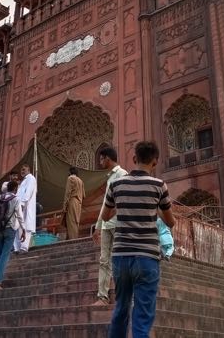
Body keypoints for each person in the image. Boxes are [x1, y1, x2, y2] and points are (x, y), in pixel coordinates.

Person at [101, 141, 175, 338]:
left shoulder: (116, 184)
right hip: (147, 257)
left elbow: (105, 217)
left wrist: (125, 206)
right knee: (142, 317)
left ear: (134, 159)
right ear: (155, 161)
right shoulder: (159, 186)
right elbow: (170, 222)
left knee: (121, 309)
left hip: (121, 256)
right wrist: (152, 206)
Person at [92, 146, 128, 306]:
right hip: (107, 225)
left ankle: (124, 296)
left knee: (120, 259)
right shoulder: (110, 177)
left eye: (101, 158)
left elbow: (125, 200)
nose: (100, 162)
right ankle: (102, 296)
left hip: (119, 223)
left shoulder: (122, 174)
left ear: (107, 158)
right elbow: (106, 204)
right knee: (104, 260)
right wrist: (98, 226)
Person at [0, 180, 25, 291]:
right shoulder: (16, 199)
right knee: (4, 256)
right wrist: (23, 230)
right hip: (10, 229)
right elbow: (19, 216)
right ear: (15, 188)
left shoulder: (1, 197)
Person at [14, 163, 37, 253]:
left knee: (27, 227)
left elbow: (28, 192)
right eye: (21, 170)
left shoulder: (31, 179)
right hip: (19, 206)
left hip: (26, 206)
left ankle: (24, 247)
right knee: (17, 226)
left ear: (28, 170)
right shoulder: (23, 181)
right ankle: (17, 247)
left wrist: (23, 204)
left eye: (24, 169)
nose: (22, 171)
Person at [62, 166, 86, 240]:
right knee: (75, 223)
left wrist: (64, 206)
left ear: (70, 172)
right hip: (79, 203)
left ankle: (72, 241)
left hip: (72, 201)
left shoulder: (70, 178)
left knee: (71, 222)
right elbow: (84, 195)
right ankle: (71, 239)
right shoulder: (80, 181)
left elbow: (67, 193)